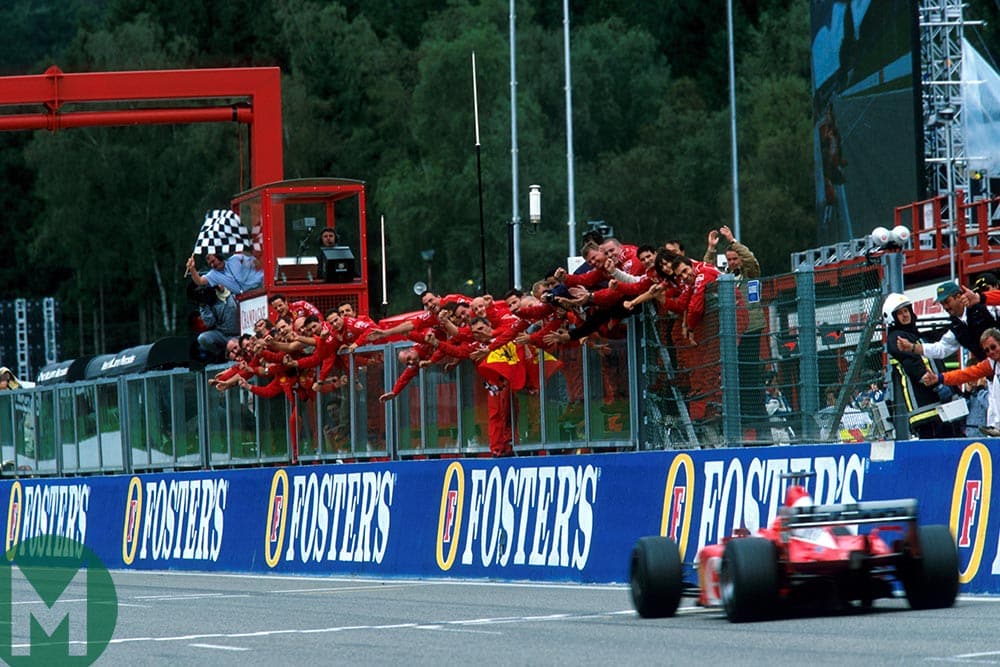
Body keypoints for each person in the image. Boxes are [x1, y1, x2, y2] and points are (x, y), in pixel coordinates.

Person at [882, 293, 962, 439]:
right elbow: (912, 364)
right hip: (926, 408)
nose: (905, 315)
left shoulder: (915, 335)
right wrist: (937, 386)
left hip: (939, 403)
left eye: (906, 310)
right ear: (892, 317)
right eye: (900, 313)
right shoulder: (896, 338)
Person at [922, 328, 1000, 437]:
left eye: (993, 347)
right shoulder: (991, 364)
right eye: (987, 350)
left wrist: (981, 389)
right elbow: (964, 374)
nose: (991, 352)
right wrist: (939, 378)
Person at [896, 281, 1000, 360]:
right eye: (942, 303)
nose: (945, 307)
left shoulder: (985, 308)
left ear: (959, 297)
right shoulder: (956, 327)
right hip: (992, 371)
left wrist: (980, 298)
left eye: (947, 301)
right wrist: (912, 347)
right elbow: (940, 349)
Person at [195, 284, 240, 362]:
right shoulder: (209, 304)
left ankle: (232, 351)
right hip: (222, 335)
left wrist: (223, 291)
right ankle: (221, 354)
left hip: (238, 335)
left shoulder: (231, 295)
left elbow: (234, 307)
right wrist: (203, 305)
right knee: (202, 338)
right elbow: (210, 323)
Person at [186, 251, 262, 296]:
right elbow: (199, 281)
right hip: (248, 296)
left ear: (219, 256)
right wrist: (192, 268)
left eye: (213, 261)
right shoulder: (213, 275)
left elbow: (256, 263)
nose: (213, 265)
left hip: (261, 286)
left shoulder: (235, 259)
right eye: (210, 264)